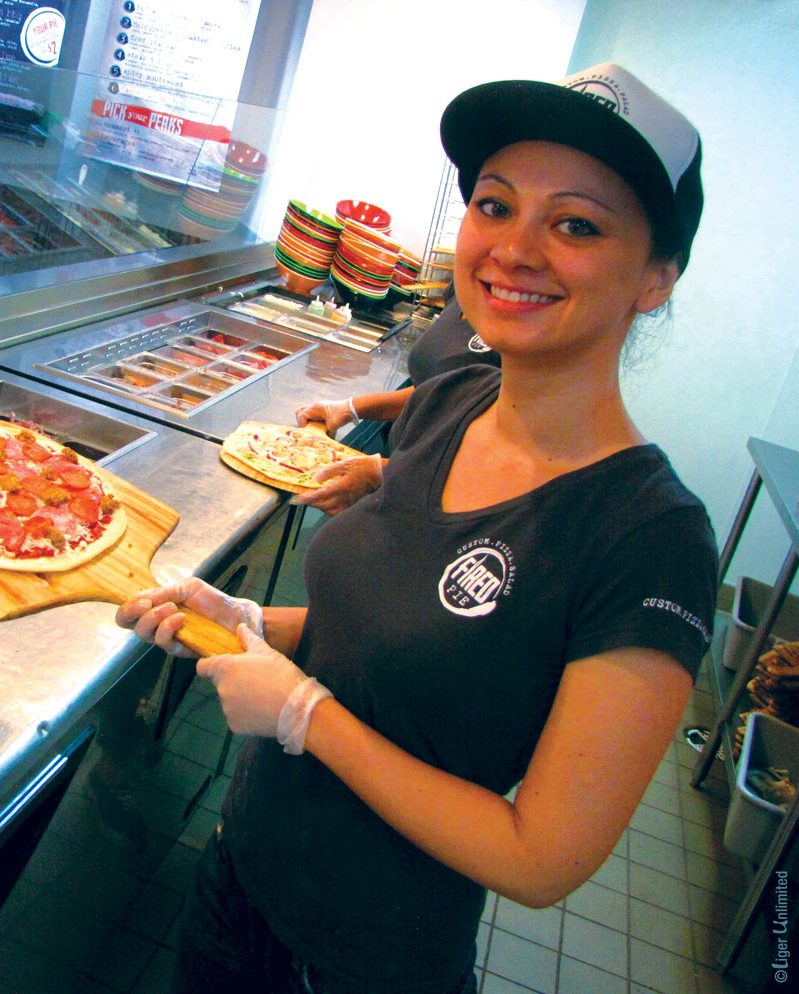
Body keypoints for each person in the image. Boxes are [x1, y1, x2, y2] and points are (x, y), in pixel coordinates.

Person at [117, 61, 717, 994]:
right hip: (236, 886)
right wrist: (251, 623)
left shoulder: (650, 535)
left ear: (656, 278)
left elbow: (540, 860)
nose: (514, 248)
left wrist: (305, 718)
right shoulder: (453, 403)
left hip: (362, 963)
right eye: (494, 203)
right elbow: (397, 643)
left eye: (576, 224)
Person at [294, 280, 501, 514]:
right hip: (407, 468)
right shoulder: (466, 285)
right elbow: (440, 391)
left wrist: (383, 473)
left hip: (440, 500)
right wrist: (351, 407)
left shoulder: (533, 326)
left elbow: (504, 467)